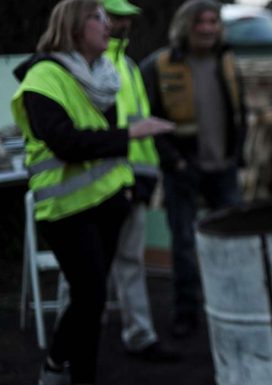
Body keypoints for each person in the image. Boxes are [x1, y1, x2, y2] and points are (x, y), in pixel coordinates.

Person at [11, 0, 173, 383]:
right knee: (88, 298)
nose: (109, 26)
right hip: (67, 210)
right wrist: (129, 134)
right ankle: (55, 368)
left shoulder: (104, 75)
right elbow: (66, 142)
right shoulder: (44, 76)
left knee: (92, 299)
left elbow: (104, 146)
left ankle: (77, 373)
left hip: (110, 201)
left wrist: (128, 186)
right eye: (99, 18)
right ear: (74, 25)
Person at [140, 0, 246, 339]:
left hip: (223, 168)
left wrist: (237, 155)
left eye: (213, 22)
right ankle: (186, 315)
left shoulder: (227, 61)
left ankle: (233, 308)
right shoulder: (158, 65)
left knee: (230, 243)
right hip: (182, 169)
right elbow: (149, 119)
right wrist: (175, 161)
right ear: (185, 26)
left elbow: (239, 112)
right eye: (200, 22)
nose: (207, 29)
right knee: (184, 245)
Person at [102, 0, 178, 361]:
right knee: (85, 267)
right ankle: (77, 333)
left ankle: (140, 336)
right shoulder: (86, 68)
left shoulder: (129, 66)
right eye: (115, 17)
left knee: (131, 261)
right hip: (97, 183)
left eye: (126, 17)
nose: (123, 24)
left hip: (132, 179)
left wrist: (147, 176)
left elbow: (141, 125)